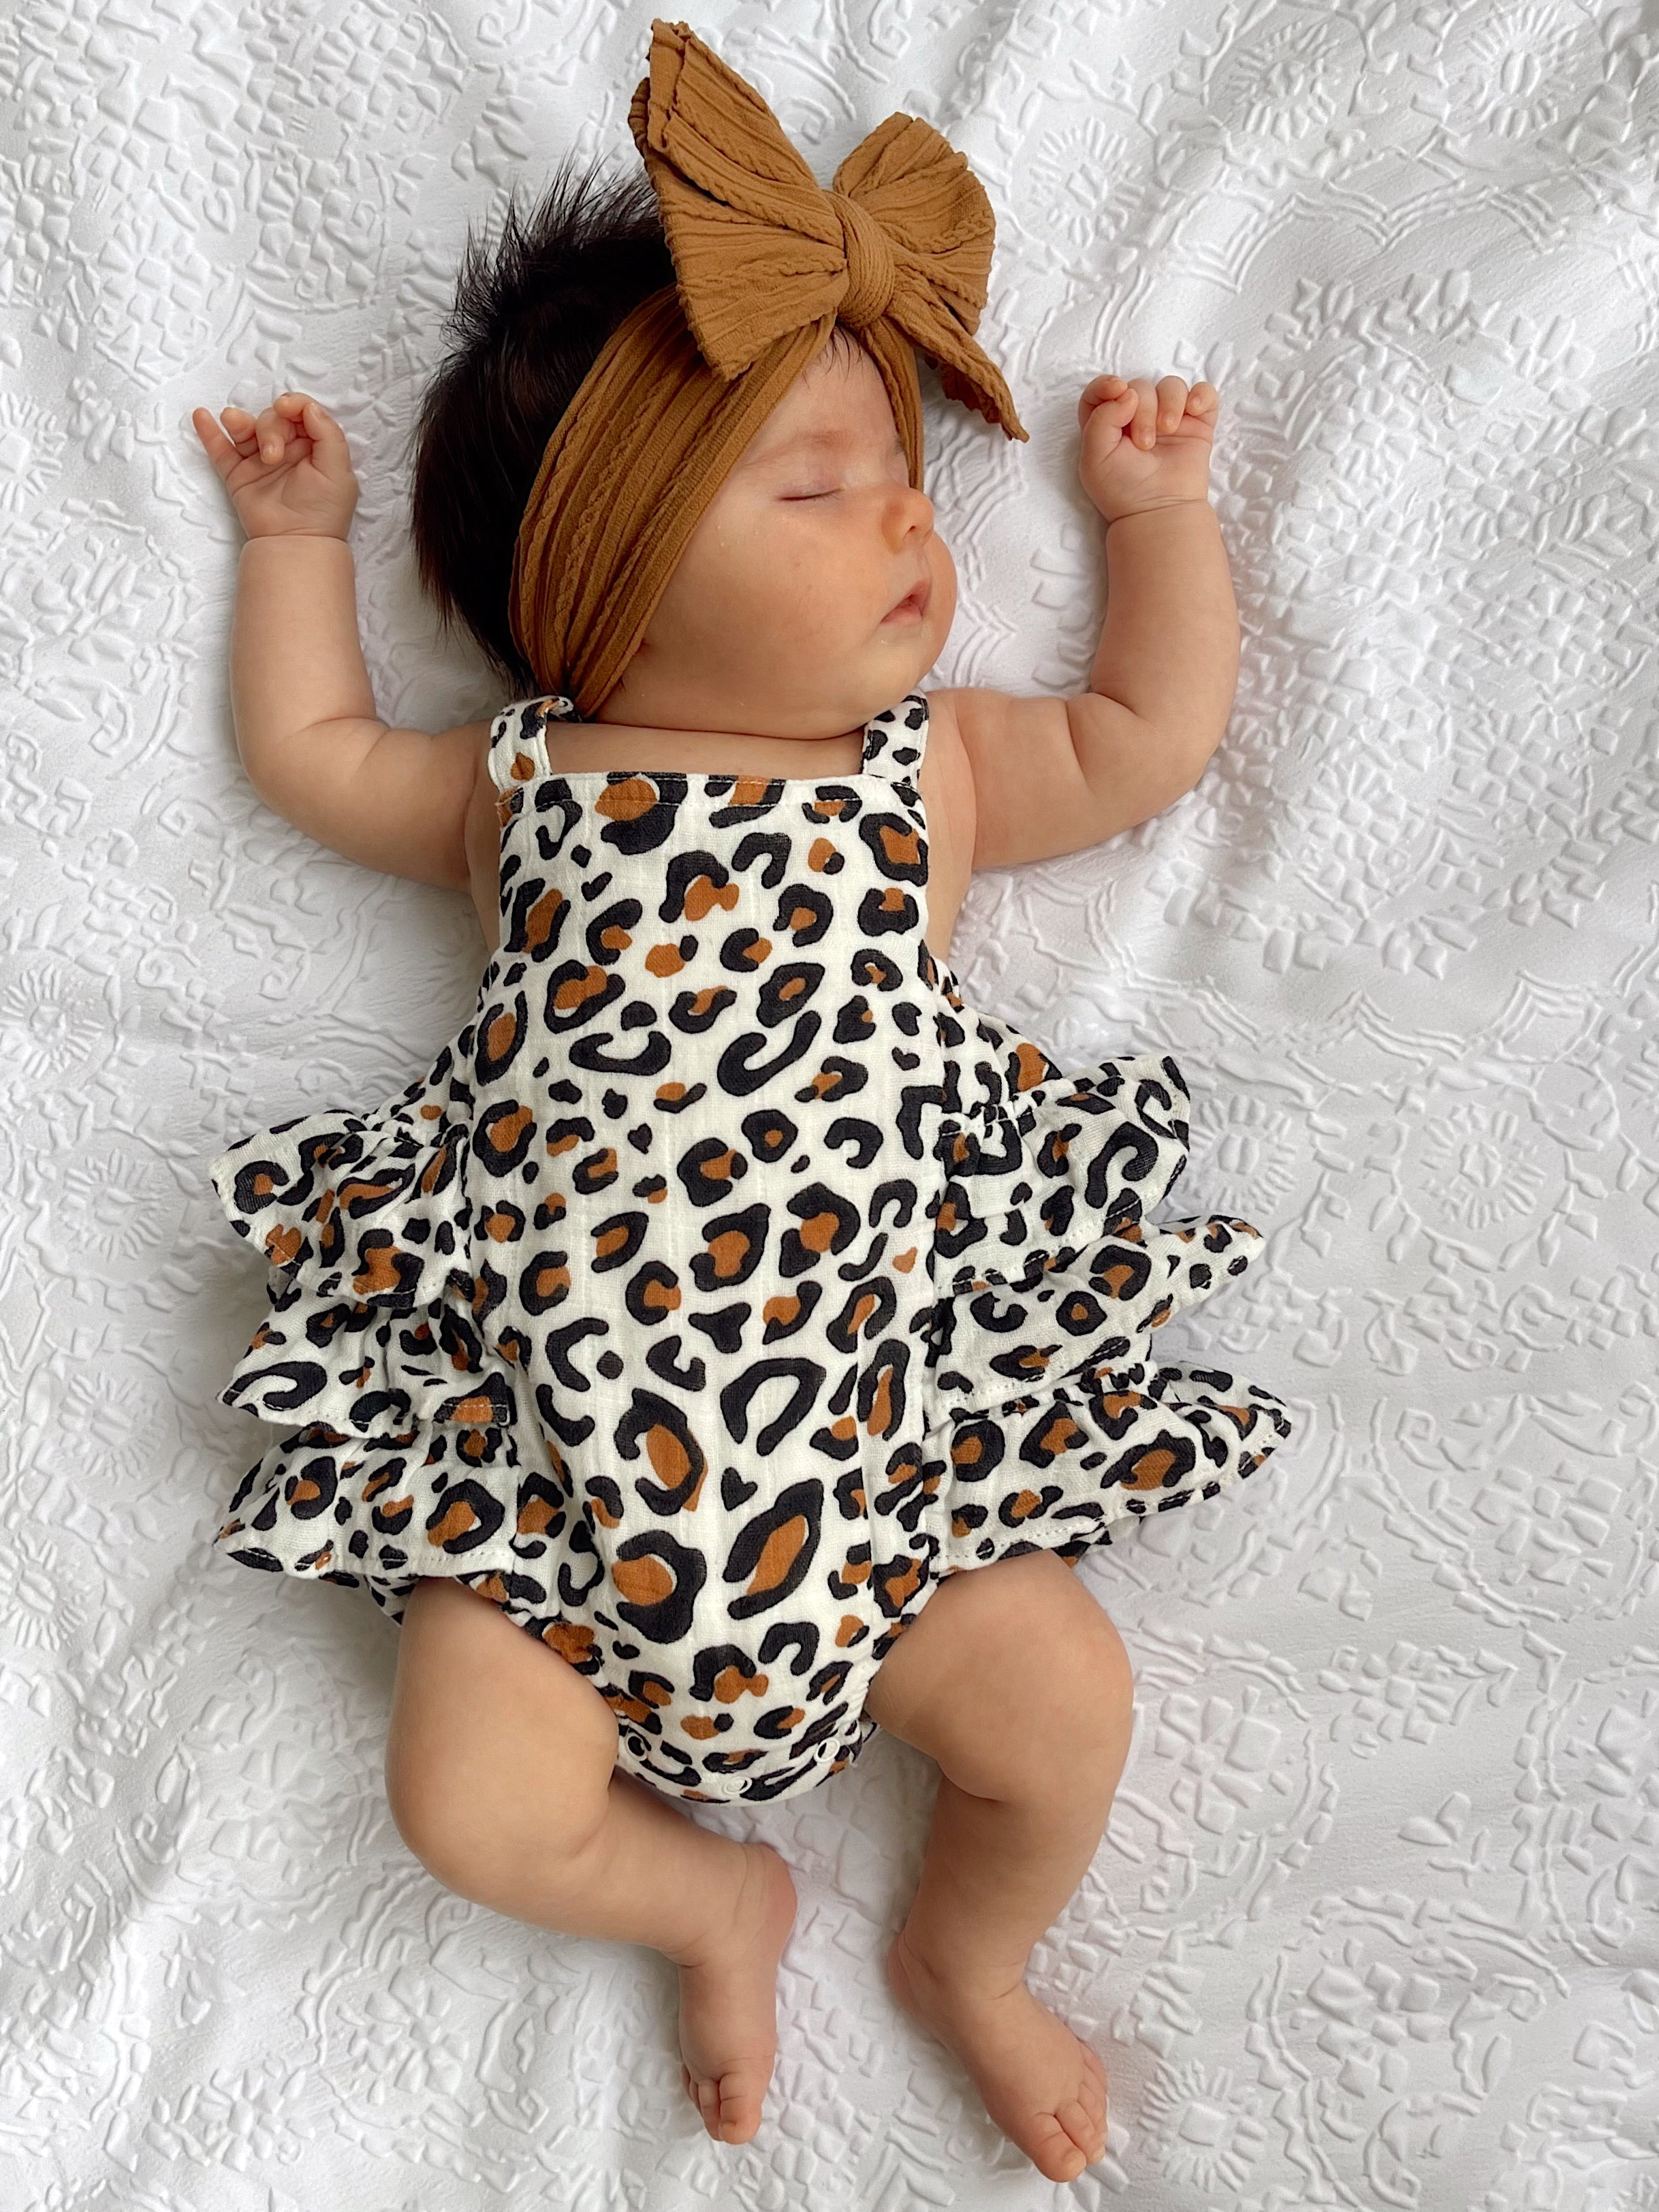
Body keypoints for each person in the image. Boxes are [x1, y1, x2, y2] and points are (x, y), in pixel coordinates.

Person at [189, 18, 1293, 2186]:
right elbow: (316, 749)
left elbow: (1151, 731)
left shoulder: (941, 770)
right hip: (548, 1502)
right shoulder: (522, 790)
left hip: (881, 1485)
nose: (899, 513)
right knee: (468, 1806)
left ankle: (969, 1961)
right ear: (592, 588)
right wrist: (294, 546)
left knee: (1059, 1712)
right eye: (811, 484)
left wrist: (1154, 512)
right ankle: (708, 1895)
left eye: (897, 471)